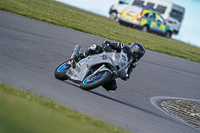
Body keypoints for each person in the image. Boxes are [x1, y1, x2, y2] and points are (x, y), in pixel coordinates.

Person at [71, 40, 145, 92]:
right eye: (136, 54)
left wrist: (124, 76)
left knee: (112, 88)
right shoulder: (123, 47)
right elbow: (106, 42)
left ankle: (97, 79)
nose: (137, 56)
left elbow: (128, 75)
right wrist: (107, 47)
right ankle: (78, 56)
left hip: (114, 69)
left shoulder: (133, 63)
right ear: (133, 49)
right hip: (106, 57)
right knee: (95, 47)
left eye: (139, 56)